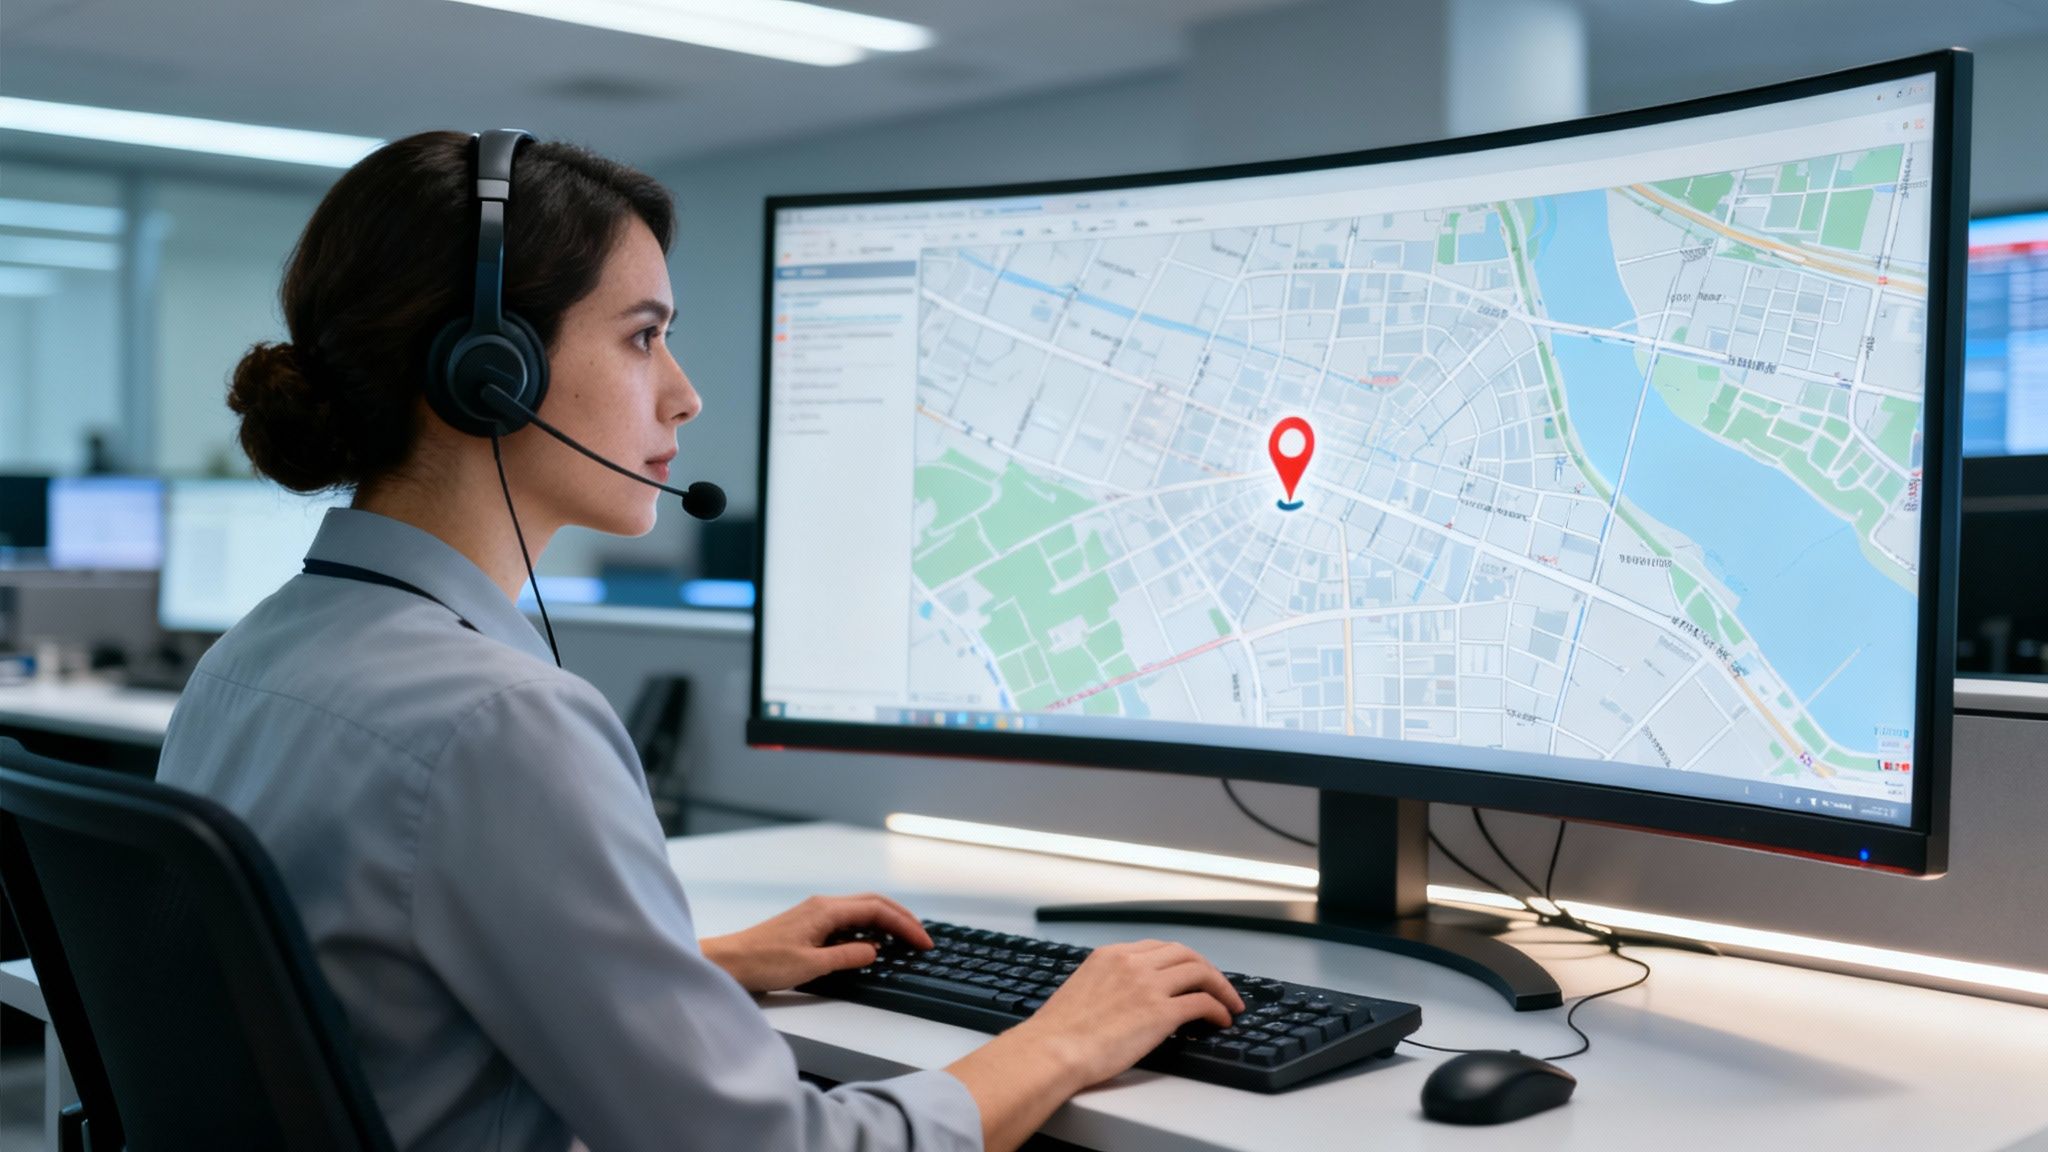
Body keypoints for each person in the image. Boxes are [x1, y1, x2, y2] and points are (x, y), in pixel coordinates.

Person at [155, 131, 1243, 1152]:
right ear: (490, 375)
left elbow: (356, 979)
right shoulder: (499, 720)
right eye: (642, 336)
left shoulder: (248, 663)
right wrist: (1064, 1036)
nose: (684, 394)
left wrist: (690, 968)